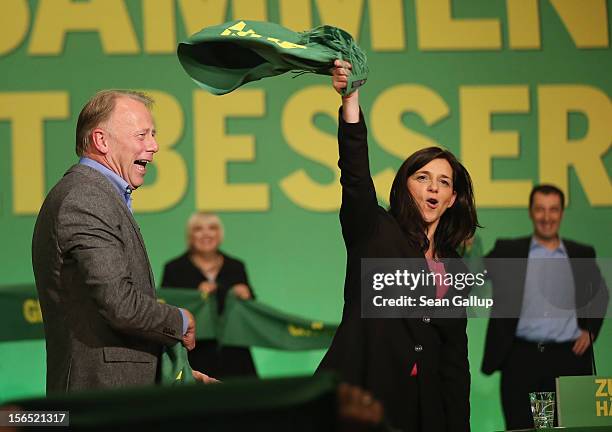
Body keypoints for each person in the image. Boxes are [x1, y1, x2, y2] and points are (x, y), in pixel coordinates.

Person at [316, 61, 479, 431]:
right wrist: (351, 100)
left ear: (453, 197)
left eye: (443, 182)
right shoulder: (375, 231)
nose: (433, 187)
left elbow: (455, 358)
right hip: (364, 403)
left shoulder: (455, 267)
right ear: (406, 186)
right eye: (422, 177)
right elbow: (355, 173)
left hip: (427, 408)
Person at [32, 90, 199, 393]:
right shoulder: (86, 198)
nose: (154, 146)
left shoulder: (97, 195)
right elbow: (120, 305)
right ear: (101, 141)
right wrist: (180, 320)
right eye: (142, 135)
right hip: (98, 398)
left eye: (153, 135)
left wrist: (173, 373)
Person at [481, 184, 609, 430]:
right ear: (530, 212)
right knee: (525, 428)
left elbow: (600, 294)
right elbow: (474, 275)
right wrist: (464, 247)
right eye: (540, 209)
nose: (547, 217)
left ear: (561, 213)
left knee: (565, 428)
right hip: (522, 361)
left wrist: (590, 330)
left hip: (567, 361)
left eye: (553, 210)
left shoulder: (581, 254)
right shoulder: (509, 252)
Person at [161, 212, 257, 378]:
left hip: (235, 355)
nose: (206, 234)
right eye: (198, 229)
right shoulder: (174, 268)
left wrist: (246, 294)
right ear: (190, 236)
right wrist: (195, 294)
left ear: (220, 234)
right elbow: (166, 310)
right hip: (195, 355)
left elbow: (250, 313)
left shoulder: (236, 266)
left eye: (212, 228)